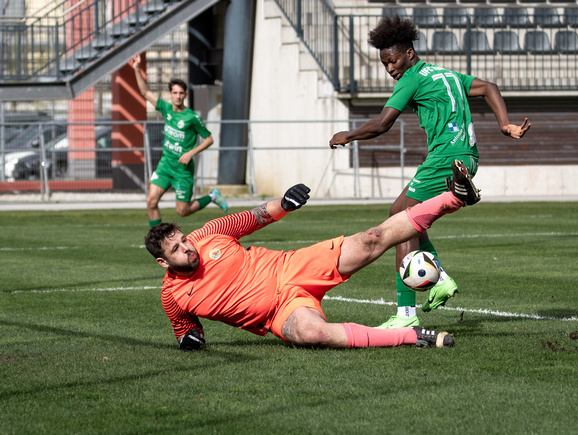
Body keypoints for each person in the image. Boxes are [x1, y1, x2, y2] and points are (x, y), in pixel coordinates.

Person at [145, 160, 480, 351]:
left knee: (372, 239)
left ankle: (455, 197)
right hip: (279, 313)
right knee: (313, 335)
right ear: (163, 262)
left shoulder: (207, 234)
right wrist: (190, 340)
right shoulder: (172, 297)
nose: (188, 248)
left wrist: (284, 203)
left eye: (184, 240)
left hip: (291, 268)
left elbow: (254, 216)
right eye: (177, 249)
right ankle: (409, 335)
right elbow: (186, 330)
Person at [329, 15, 531, 329]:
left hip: (445, 157)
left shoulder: (411, 78)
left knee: (400, 223)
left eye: (393, 60)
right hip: (467, 155)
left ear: (409, 53)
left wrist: (349, 134)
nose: (390, 68)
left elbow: (382, 124)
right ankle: (440, 276)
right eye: (385, 64)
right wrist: (504, 123)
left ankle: (406, 315)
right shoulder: (447, 75)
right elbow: (489, 87)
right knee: (403, 213)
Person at [131, 53, 228, 228]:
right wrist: (137, 68)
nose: (177, 96)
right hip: (166, 165)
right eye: (174, 92)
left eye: (181, 93)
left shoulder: (191, 117)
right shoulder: (166, 108)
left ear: (184, 95)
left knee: (182, 211)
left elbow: (209, 139)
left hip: (183, 171)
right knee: (151, 201)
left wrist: (191, 153)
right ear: (170, 94)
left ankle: (212, 196)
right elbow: (145, 92)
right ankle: (157, 241)